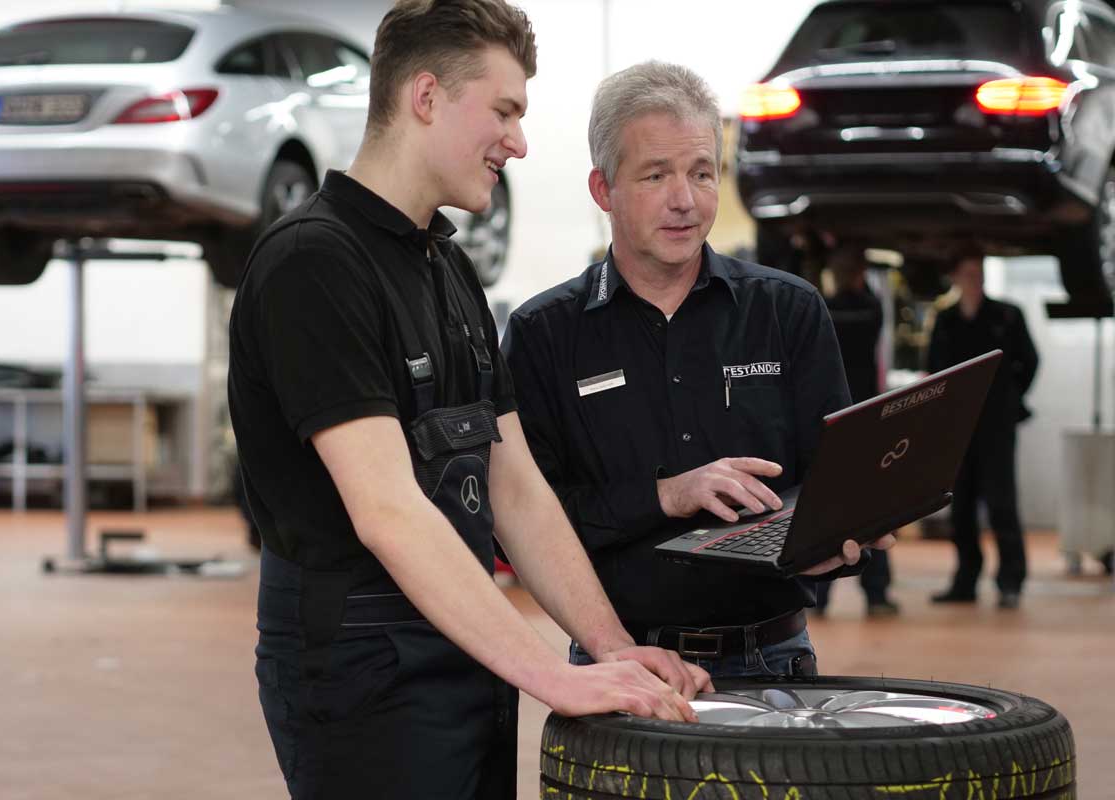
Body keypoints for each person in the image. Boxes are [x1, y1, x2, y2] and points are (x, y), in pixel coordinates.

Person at [227, 5, 710, 798]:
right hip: (361, 670)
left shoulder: (448, 270)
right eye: (505, 110)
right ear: (426, 97)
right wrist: (548, 679)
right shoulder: (313, 265)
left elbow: (513, 484)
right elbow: (388, 510)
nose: (518, 142)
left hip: (463, 644)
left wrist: (607, 645)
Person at [501, 61, 895, 679]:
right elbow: (526, 520)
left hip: (775, 662)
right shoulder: (544, 335)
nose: (684, 200)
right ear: (603, 189)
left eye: (702, 173)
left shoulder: (788, 311)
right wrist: (665, 495)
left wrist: (843, 543)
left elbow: (832, 484)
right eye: (656, 175)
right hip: (623, 663)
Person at [927, 248, 1039, 609]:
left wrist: (1010, 398)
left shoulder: (1007, 315)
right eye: (969, 272)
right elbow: (933, 371)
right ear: (956, 277)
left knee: (1002, 502)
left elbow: (1031, 361)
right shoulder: (945, 320)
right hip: (958, 428)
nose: (975, 279)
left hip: (996, 426)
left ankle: (1011, 581)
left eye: (980, 272)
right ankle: (965, 581)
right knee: (960, 508)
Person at [814, 247, 900, 617]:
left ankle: (818, 597)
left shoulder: (824, 309)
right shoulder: (871, 309)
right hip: (868, 419)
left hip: (832, 423)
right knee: (872, 508)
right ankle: (877, 594)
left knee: (824, 507)